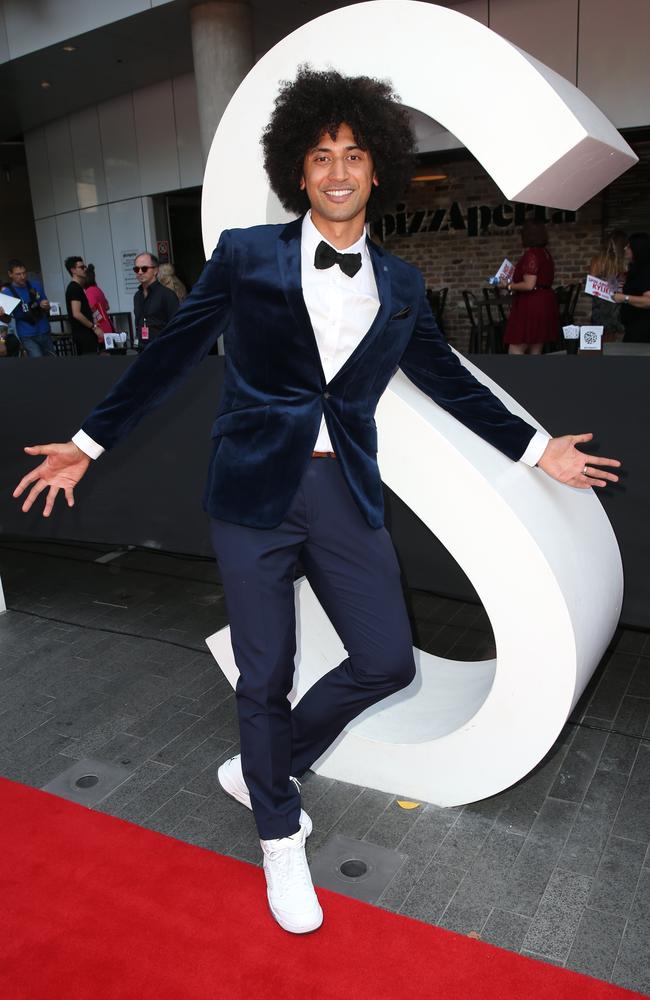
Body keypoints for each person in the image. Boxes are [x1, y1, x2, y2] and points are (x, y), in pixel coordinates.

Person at [13, 67, 620, 936]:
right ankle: (278, 833)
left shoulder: (404, 286)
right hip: (253, 486)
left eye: (355, 155)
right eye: (321, 155)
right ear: (298, 172)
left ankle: (267, 766)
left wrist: (536, 447)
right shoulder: (246, 254)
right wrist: (88, 441)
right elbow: (171, 354)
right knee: (264, 673)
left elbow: (447, 378)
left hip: (343, 488)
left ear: (379, 173)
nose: (338, 170)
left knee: (388, 660)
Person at [501, 221, 560, 355]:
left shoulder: (531, 255)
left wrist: (508, 285)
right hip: (545, 301)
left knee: (516, 348)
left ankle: (514, 376)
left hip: (531, 303)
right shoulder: (545, 253)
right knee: (536, 347)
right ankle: (534, 376)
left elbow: (529, 284)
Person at [1, 259, 55, 357]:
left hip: (44, 329)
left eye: (24, 273)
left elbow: (47, 308)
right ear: (10, 274)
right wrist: (1, 315)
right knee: (38, 364)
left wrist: (45, 305)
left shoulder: (36, 285)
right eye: (18, 274)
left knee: (52, 361)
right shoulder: (7, 293)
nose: (22, 277)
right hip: (26, 334)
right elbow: (6, 320)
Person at [132, 252, 179, 350]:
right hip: (142, 349)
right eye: (136, 269)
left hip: (162, 350)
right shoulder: (137, 296)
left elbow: (176, 326)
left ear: (155, 270)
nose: (140, 272)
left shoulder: (167, 295)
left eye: (144, 269)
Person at [588, 230, 627, 339]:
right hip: (621, 302)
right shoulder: (626, 260)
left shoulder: (598, 260)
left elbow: (591, 284)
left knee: (604, 340)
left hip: (602, 305)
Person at [612, 232, 650, 342]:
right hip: (634, 325)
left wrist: (624, 298)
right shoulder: (637, 268)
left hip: (643, 329)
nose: (625, 248)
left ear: (637, 248)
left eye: (628, 246)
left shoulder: (646, 269)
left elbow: (648, 301)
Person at [64, 256, 102, 355]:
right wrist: (93, 326)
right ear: (73, 270)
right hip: (83, 335)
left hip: (85, 333)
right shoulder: (74, 288)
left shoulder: (78, 287)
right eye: (81, 267)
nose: (85, 269)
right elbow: (76, 313)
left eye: (84, 266)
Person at [84, 264, 114, 347]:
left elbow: (91, 308)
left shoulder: (89, 291)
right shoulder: (97, 289)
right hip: (107, 325)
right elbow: (107, 306)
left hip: (100, 328)